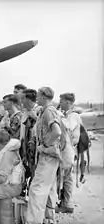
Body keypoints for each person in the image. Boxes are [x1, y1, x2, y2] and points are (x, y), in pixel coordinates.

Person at [26, 87, 62, 224]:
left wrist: (45, 145)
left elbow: (56, 132)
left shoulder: (49, 111)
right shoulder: (45, 111)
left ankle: (34, 221)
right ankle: (48, 218)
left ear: (43, 96)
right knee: (48, 187)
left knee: (37, 190)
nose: (36, 98)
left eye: (38, 95)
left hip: (48, 155)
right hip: (51, 156)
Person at [56, 93, 82, 214]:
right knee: (66, 176)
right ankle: (65, 202)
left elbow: (68, 126)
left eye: (61, 101)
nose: (59, 103)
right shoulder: (70, 115)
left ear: (67, 102)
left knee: (66, 177)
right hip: (68, 149)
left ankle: (67, 203)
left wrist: (59, 116)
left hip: (68, 150)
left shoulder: (73, 116)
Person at [20, 89, 41, 194]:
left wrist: (36, 118)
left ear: (28, 99)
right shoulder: (25, 112)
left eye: (23, 98)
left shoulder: (39, 110)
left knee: (36, 174)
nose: (21, 101)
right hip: (27, 149)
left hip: (36, 150)